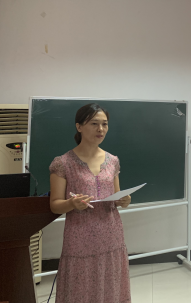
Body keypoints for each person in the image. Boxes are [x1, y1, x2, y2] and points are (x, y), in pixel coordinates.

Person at [49, 104, 132, 303]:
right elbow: (54, 204)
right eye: (94, 124)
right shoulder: (63, 163)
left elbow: (116, 195)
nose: (100, 129)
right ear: (79, 127)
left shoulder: (113, 161)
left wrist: (124, 200)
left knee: (110, 283)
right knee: (80, 286)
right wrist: (72, 203)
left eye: (105, 124)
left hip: (110, 233)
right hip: (80, 236)